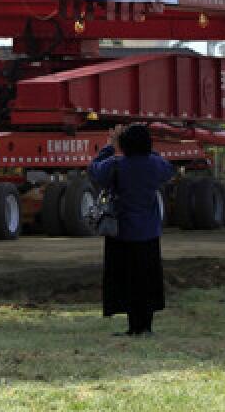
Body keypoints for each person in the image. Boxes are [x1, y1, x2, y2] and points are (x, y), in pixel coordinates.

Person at [89, 123, 175, 336]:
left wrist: (110, 146)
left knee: (126, 280)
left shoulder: (115, 164)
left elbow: (94, 169)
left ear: (124, 144)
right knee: (147, 280)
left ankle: (132, 326)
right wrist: (147, 150)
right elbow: (167, 169)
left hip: (122, 232)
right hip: (148, 233)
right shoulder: (155, 164)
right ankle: (146, 326)